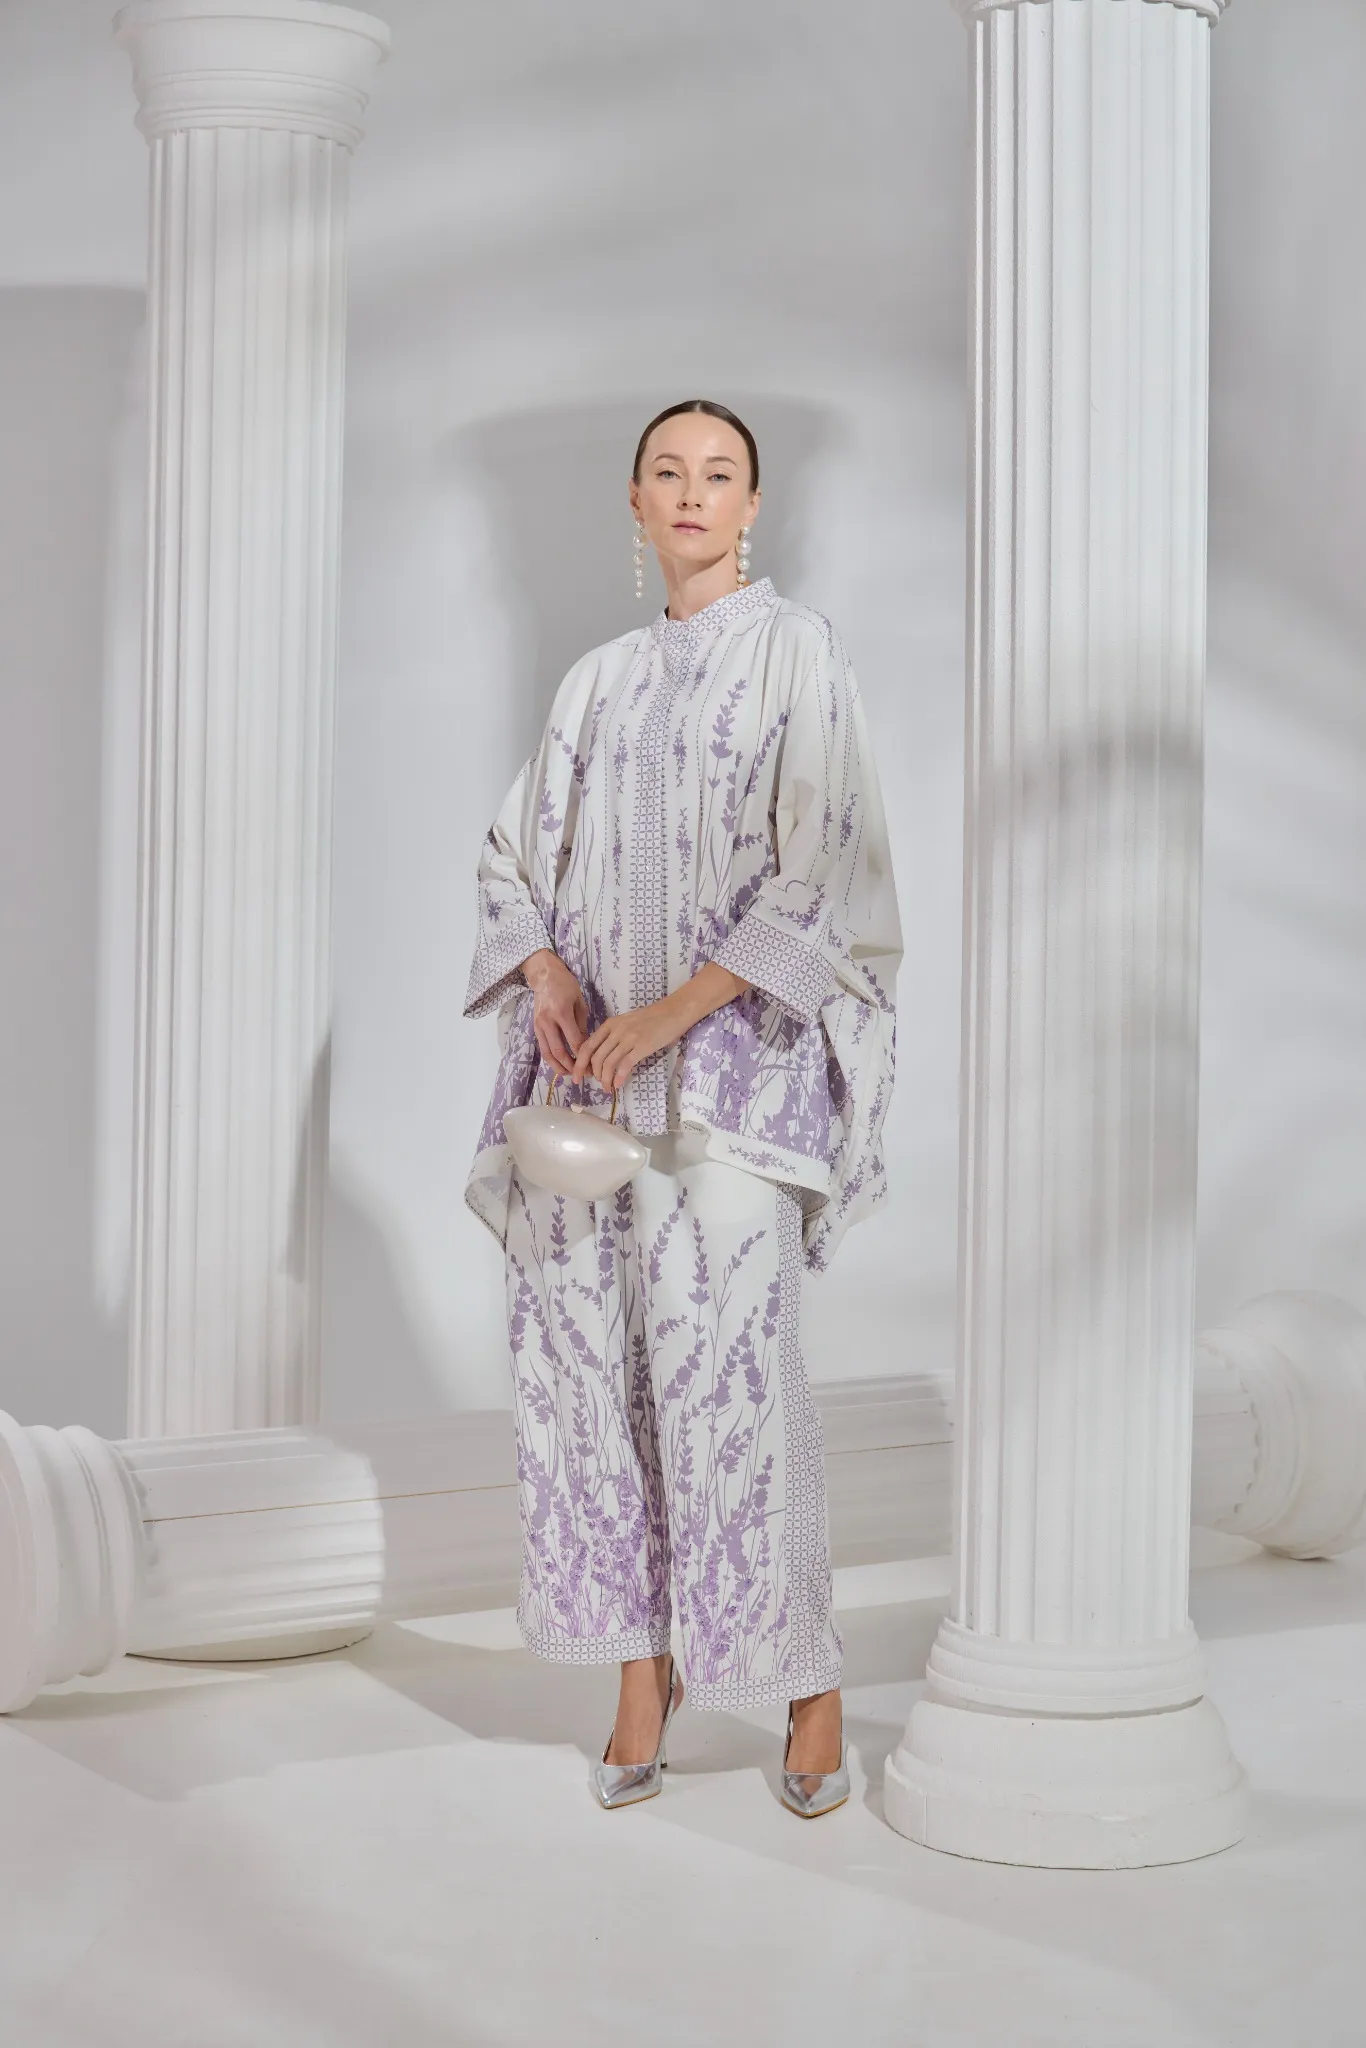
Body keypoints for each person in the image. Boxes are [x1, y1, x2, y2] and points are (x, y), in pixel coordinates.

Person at [462, 398, 902, 1816]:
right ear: (636, 502)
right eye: (669, 472)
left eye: (720, 474)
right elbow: (514, 854)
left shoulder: (798, 652)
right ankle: (638, 1682)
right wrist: (544, 971)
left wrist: (671, 1013)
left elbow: (818, 867)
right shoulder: (595, 684)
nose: (693, 493)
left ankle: (807, 1686)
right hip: (590, 1105)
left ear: (752, 505)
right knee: (595, 1385)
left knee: (734, 1388)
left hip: (734, 1092)